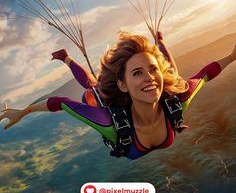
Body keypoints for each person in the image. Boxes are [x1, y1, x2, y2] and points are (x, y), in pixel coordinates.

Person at [1, 32, 235, 160]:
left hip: (150, 108)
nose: (149, 78)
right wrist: (24, 111)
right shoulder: (108, 122)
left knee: (173, 79)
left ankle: (159, 44)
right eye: (137, 72)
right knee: (94, 91)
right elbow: (61, 103)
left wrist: (233, 56)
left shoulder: (176, 101)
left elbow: (202, 74)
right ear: (123, 84)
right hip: (112, 105)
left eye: (152, 70)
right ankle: (66, 58)